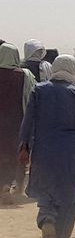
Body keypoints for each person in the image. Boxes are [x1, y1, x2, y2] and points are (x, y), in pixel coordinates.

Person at [17, 55, 75, 238]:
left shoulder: (39, 90)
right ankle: (61, 236)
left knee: (46, 187)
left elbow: (27, 121)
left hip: (43, 149)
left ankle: (47, 218)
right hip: (69, 151)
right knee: (68, 191)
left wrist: (24, 146)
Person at [0, 42, 35, 204]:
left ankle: (3, 185)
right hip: (18, 121)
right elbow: (30, 97)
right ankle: (17, 185)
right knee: (18, 152)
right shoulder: (24, 75)